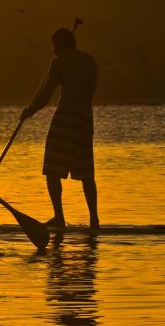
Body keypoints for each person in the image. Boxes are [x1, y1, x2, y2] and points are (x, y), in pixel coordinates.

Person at [21, 28, 98, 228]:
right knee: (86, 172)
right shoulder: (89, 61)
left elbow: (47, 94)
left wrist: (31, 111)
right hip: (85, 120)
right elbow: (89, 90)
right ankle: (94, 219)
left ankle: (59, 218)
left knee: (52, 170)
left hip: (65, 120)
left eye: (55, 46)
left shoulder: (59, 63)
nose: (54, 50)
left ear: (61, 45)